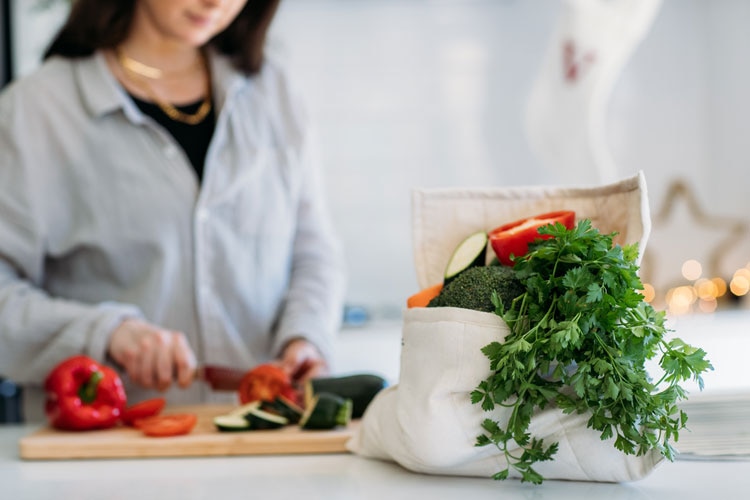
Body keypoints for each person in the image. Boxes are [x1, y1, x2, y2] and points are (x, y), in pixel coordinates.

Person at [0, 0, 346, 422]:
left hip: (265, 439)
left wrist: (306, 337)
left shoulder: (275, 93)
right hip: (110, 456)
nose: (216, 2)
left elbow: (314, 253)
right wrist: (106, 334)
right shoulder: (37, 110)